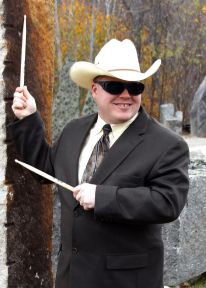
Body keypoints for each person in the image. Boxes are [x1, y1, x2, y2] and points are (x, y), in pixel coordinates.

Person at [10, 39, 189, 288]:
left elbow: (167, 203)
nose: (126, 95)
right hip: (71, 278)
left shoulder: (167, 144)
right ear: (95, 90)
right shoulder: (75, 130)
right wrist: (29, 117)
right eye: (115, 86)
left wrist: (102, 197)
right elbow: (46, 169)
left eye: (135, 87)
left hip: (126, 281)